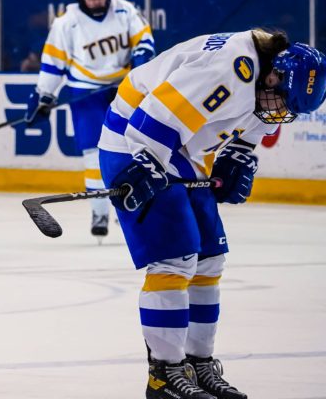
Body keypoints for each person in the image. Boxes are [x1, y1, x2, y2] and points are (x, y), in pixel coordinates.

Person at [97, 29, 326, 398]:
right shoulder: (227, 71)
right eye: (282, 99)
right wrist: (146, 168)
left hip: (182, 149)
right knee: (174, 260)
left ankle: (197, 364)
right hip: (134, 142)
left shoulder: (266, 77)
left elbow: (254, 118)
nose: (280, 110)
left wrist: (240, 153)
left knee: (209, 259)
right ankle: (164, 375)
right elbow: (151, 120)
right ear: (273, 75)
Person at [25, 0, 155, 241]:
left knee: (132, 147)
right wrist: (43, 96)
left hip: (123, 89)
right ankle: (99, 211)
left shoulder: (125, 10)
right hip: (86, 93)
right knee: (93, 155)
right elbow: (53, 63)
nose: (97, 1)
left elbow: (143, 39)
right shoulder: (66, 22)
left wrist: (142, 55)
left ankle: (126, 208)